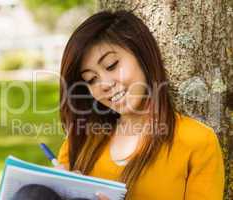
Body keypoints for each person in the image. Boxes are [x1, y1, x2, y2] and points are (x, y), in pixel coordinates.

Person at [57, 9, 225, 200]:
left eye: (111, 65)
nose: (105, 85)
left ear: (142, 56)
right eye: (91, 79)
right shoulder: (81, 140)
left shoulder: (197, 141)